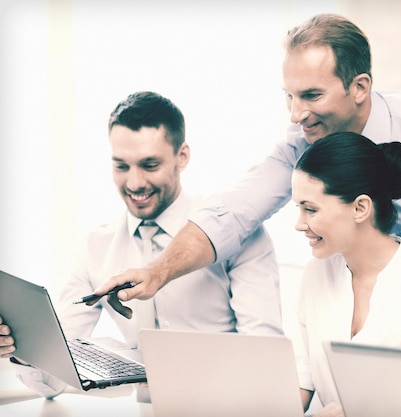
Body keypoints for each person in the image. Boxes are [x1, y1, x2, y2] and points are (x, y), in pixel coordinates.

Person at [95, 12, 401, 320]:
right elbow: (234, 213)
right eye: (289, 97)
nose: (296, 114)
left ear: (359, 87)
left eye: (311, 95)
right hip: (370, 302)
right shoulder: (300, 144)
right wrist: (158, 272)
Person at [0, 91, 283, 398]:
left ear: (182, 156)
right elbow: (53, 380)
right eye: (121, 166)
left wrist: (183, 377)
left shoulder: (233, 230)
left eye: (149, 165)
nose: (134, 183)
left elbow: (264, 357)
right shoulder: (94, 246)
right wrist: (25, 350)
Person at [292, 132, 401, 416]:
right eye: (298, 208)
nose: (299, 224)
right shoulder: (315, 275)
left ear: (360, 207)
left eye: (310, 209)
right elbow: (301, 379)